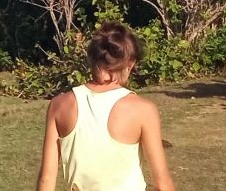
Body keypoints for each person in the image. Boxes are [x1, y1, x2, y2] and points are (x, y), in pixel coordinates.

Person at [36, 23, 175, 191]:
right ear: (129, 64)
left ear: (91, 58)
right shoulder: (143, 110)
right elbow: (162, 183)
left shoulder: (59, 105)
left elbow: (46, 179)